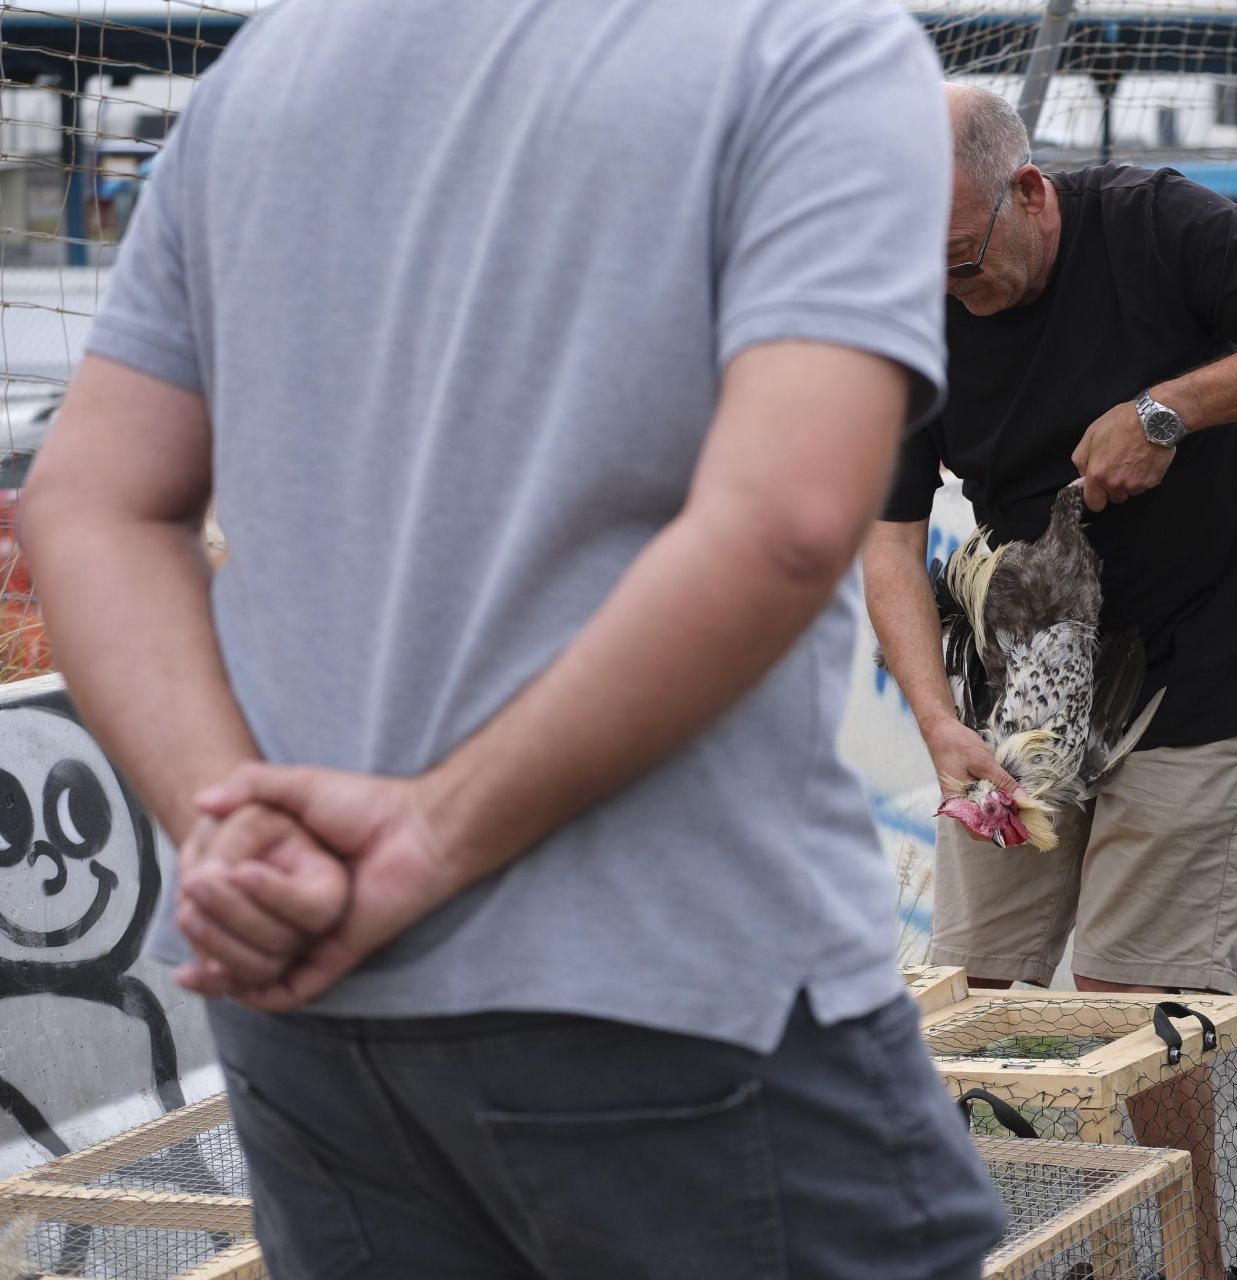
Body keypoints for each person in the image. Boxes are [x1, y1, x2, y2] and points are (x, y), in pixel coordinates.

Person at [21, 3, 1004, 1277]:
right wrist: (432, 832)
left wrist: (228, 824)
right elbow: (783, 518)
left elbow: (88, 497)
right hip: (669, 985)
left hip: (307, 996)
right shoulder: (806, 47)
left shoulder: (266, 70)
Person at [863, 86, 1237, 1275]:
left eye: (962, 260)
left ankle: (1184, 1260)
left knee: (1133, 1018)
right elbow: (891, 540)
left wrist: (1169, 411)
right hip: (1036, 689)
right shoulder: (905, 294)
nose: (948, 293)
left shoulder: (1156, 224)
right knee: (970, 995)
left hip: (1201, 672)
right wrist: (940, 721)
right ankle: (982, 1250)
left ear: (1031, 194)